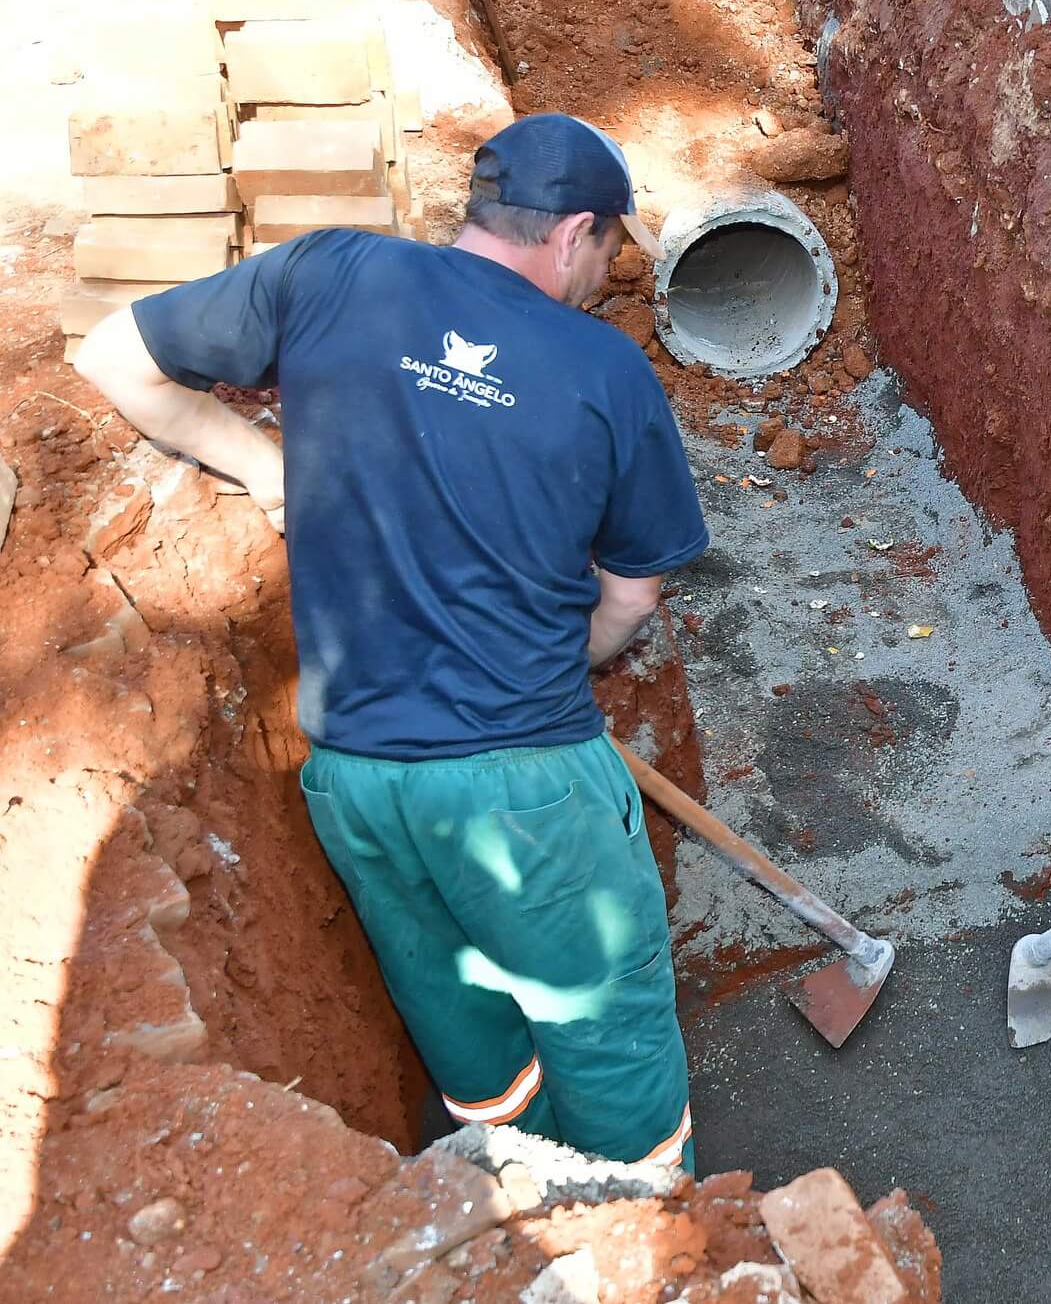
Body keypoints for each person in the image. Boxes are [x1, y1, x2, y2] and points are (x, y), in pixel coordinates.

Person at [76, 114, 707, 1170]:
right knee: (609, 1039)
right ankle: (658, 1247)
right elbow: (632, 593)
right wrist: (573, 660)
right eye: (607, 250)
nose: (606, 274)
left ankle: (517, 1213)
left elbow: (114, 358)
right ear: (573, 234)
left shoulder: (330, 272)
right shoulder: (602, 370)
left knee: (476, 1049)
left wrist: (263, 466)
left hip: (360, 788)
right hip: (528, 791)